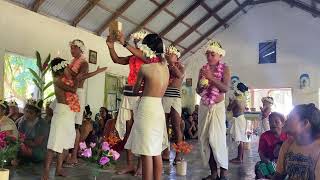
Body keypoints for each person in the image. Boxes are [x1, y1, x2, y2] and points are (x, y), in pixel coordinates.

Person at [107, 30, 159, 176]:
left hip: (141, 97)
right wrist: (110, 47)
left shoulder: (149, 58)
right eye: (135, 41)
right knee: (129, 131)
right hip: (128, 96)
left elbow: (141, 55)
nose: (136, 44)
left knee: (141, 131)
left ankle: (141, 166)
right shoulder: (132, 57)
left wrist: (124, 43)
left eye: (138, 42)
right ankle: (130, 165)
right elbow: (117, 60)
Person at [124, 33, 169, 180]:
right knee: (155, 151)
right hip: (158, 108)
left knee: (146, 152)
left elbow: (136, 90)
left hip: (147, 108)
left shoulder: (146, 68)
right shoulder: (166, 69)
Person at [66, 39, 107, 166]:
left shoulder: (83, 63)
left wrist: (65, 69)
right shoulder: (73, 62)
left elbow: (80, 77)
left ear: (80, 49)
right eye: (71, 48)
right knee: (69, 124)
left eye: (74, 48)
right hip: (71, 92)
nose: (72, 50)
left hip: (77, 94)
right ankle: (67, 153)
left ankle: (73, 156)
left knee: (75, 126)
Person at [42, 57, 82, 180]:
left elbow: (77, 80)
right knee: (54, 144)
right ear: (60, 70)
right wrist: (77, 79)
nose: (68, 69)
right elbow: (73, 89)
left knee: (64, 144)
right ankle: (46, 172)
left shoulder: (66, 79)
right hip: (61, 113)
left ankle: (59, 169)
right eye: (66, 68)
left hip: (70, 113)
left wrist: (94, 72)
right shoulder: (57, 80)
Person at [196, 40, 230, 180]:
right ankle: (213, 173)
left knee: (218, 140)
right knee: (206, 140)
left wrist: (211, 78)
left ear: (220, 56)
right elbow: (198, 90)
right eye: (208, 54)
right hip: (204, 107)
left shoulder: (225, 68)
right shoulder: (202, 69)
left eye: (212, 54)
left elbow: (225, 88)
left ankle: (223, 173)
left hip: (217, 108)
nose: (209, 57)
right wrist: (201, 87)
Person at [273, 104, 320, 180]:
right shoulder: (288, 144)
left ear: (305, 123)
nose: (286, 121)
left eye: (290, 118)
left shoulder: (318, 148)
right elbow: (279, 175)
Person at [161, 45, 185, 163]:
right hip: (164, 97)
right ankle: (165, 152)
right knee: (163, 127)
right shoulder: (164, 66)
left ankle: (178, 155)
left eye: (172, 54)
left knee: (176, 127)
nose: (170, 56)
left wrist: (171, 64)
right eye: (168, 54)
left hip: (175, 98)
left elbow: (180, 76)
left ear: (177, 57)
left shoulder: (180, 67)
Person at [255, 112, 287, 179]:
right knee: (260, 166)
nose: (273, 124)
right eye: (271, 122)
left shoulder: (287, 135)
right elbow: (261, 153)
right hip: (269, 161)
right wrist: (268, 162)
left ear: (283, 123)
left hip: (283, 163)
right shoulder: (264, 136)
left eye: (276, 122)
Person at [228, 82, 250, 164]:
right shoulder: (243, 98)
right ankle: (241, 157)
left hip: (238, 120)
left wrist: (230, 102)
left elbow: (229, 108)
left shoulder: (236, 100)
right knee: (242, 139)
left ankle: (239, 158)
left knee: (239, 139)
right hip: (242, 119)